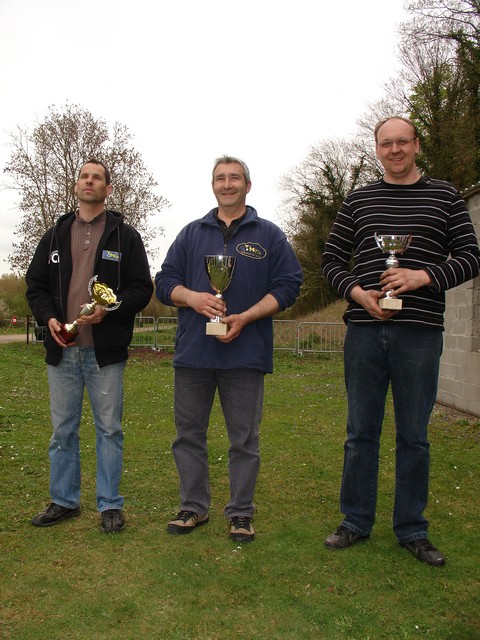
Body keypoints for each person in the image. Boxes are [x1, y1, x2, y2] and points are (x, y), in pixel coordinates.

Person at [321, 117, 480, 566]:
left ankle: (412, 529)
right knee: (360, 433)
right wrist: (357, 293)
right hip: (364, 331)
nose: (395, 150)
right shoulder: (358, 199)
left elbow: (471, 256)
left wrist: (422, 276)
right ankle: (355, 521)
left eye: (402, 142)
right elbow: (331, 259)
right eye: (386, 143)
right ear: (376, 149)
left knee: (414, 435)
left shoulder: (446, 196)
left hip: (420, 333)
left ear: (417, 145)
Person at [155, 156, 303, 542]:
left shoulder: (269, 235)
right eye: (220, 178)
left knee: (244, 440)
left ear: (247, 186)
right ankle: (193, 506)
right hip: (194, 355)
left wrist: (247, 317)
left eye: (234, 177)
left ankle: (240, 512)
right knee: (188, 435)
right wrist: (192, 297)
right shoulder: (190, 234)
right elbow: (164, 282)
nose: (227, 183)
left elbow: (289, 284)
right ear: (213, 186)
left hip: (245, 355)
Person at [26, 159, 153, 533]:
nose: (89, 181)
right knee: (62, 430)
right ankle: (64, 501)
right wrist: (48, 317)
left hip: (104, 353)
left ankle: (110, 504)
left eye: (97, 177)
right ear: (76, 185)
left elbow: (142, 288)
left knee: (109, 429)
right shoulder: (54, 235)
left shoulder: (125, 237)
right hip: (62, 349)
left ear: (107, 189)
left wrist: (110, 308)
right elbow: (35, 285)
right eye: (84, 176)